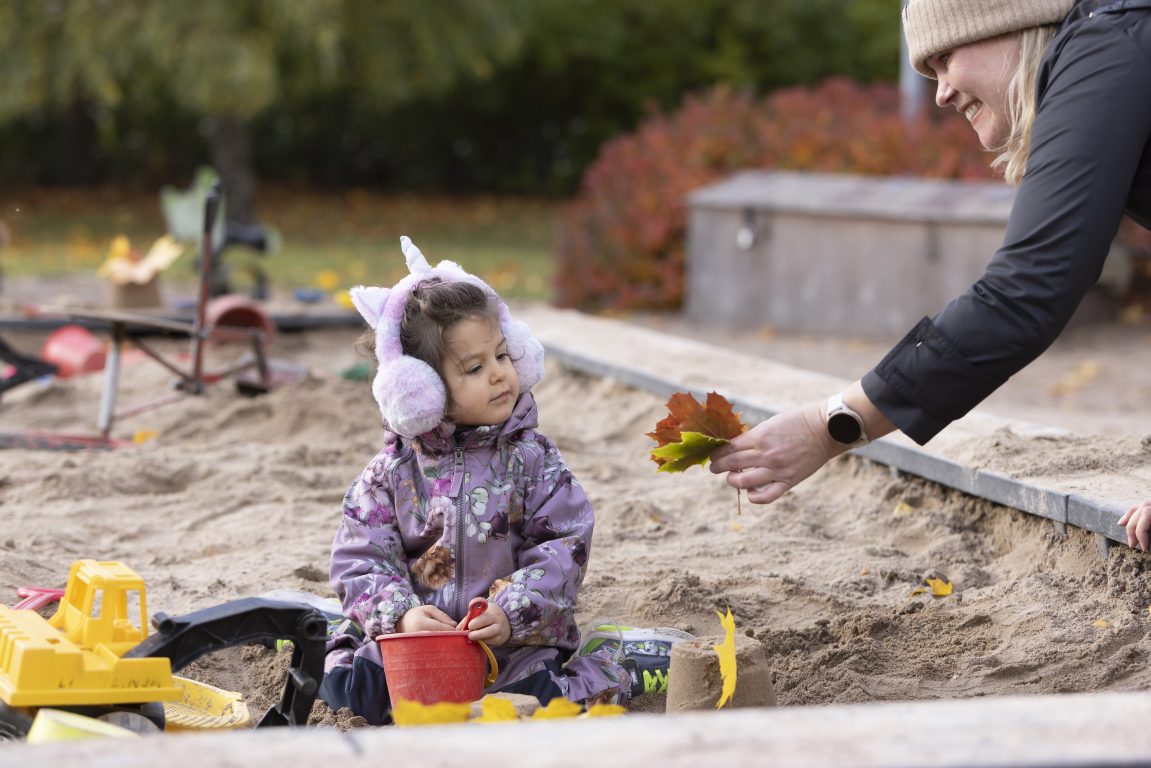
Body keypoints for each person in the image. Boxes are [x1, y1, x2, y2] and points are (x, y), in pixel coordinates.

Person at [710, 0, 1151, 549]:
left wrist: (830, 425)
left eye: (945, 59)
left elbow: (1026, 290)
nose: (940, 92)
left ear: (1010, 21)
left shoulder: (1105, 50)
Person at [319, 237, 691, 724]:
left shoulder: (531, 459)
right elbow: (360, 558)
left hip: (511, 645)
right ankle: (335, 633)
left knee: (545, 706)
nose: (499, 375)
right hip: (418, 648)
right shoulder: (389, 474)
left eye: (502, 355)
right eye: (475, 367)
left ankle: (617, 663)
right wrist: (400, 614)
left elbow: (565, 545)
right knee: (346, 693)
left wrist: (512, 610)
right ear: (419, 390)